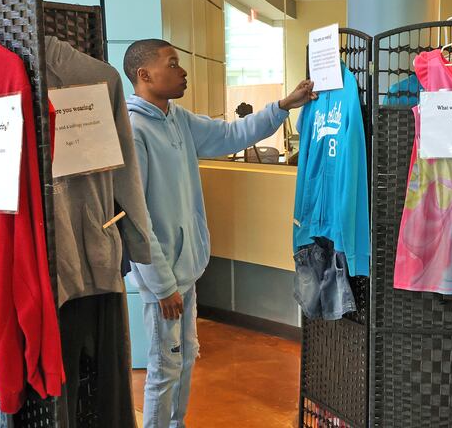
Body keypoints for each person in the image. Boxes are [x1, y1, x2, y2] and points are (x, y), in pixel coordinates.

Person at [122, 38, 316, 428]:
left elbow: (231, 134)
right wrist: (161, 286)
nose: (183, 71)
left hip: (187, 272)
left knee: (185, 356)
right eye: (172, 63)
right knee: (164, 368)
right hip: (164, 282)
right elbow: (135, 218)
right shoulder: (133, 129)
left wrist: (282, 107)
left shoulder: (176, 118)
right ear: (144, 75)